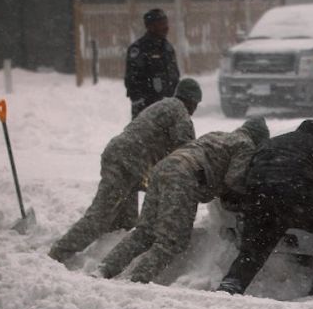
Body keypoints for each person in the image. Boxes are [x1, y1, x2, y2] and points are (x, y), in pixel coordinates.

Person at [96, 117, 270, 283]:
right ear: (259, 139)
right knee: (172, 241)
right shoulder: (245, 145)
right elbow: (234, 180)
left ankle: (104, 269)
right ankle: (136, 279)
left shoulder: (217, 134)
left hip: (162, 168)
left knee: (144, 231)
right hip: (185, 177)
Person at [48, 79, 202, 264]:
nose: (194, 110)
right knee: (99, 216)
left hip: (126, 161)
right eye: (195, 105)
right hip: (126, 163)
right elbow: (185, 149)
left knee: (125, 223)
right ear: (192, 101)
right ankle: (56, 255)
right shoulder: (179, 112)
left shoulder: (164, 105)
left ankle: (101, 256)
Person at [218, 120, 313, 297]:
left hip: (258, 198)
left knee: (254, 249)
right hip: (294, 198)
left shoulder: (268, 143)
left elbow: (250, 174)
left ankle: (232, 284)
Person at [125, 8, 180, 119]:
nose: (166, 27)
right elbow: (132, 80)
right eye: (161, 24)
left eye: (166, 23)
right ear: (150, 26)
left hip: (168, 108)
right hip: (146, 110)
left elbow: (174, 76)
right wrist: (142, 104)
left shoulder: (168, 48)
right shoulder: (139, 49)